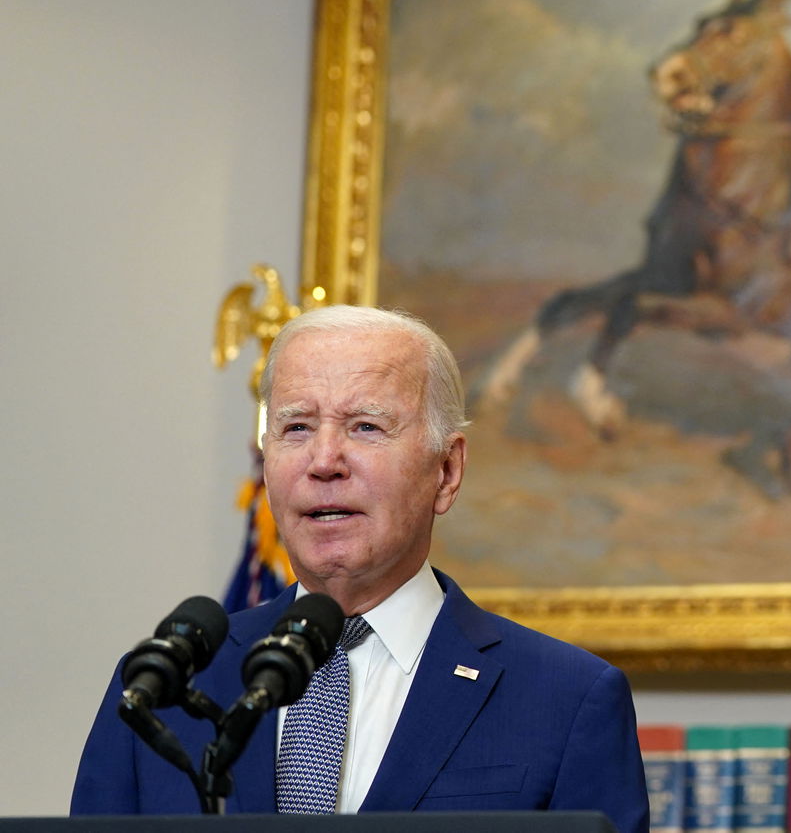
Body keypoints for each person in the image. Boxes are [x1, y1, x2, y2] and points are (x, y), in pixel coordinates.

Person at [71, 305, 649, 827]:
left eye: (365, 427)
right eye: (296, 427)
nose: (324, 461)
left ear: (446, 472)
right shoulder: (164, 687)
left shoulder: (567, 700)